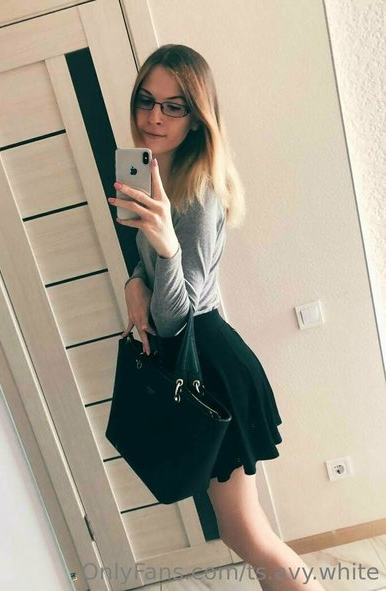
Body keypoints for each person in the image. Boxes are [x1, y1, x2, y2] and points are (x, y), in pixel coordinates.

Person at [108, 44, 325, 591]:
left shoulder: (198, 192)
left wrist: (168, 247)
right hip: (198, 360)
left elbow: (179, 315)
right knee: (240, 530)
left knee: (246, 532)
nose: (154, 117)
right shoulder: (158, 171)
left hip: (209, 363)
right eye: (146, 101)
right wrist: (135, 278)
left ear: (197, 117)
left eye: (174, 107)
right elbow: (146, 262)